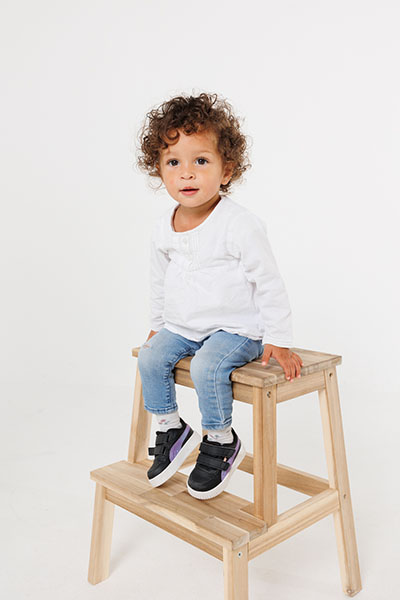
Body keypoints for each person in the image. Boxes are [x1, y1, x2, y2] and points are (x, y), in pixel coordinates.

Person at [135, 92, 303, 500]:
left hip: (236, 329)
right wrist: (158, 326)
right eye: (174, 163)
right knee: (150, 357)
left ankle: (221, 437)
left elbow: (269, 282)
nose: (186, 174)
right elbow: (159, 281)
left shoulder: (239, 225)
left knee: (207, 366)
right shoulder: (163, 227)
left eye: (201, 161)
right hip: (185, 326)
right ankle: (171, 427)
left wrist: (279, 338)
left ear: (226, 170)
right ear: (159, 170)